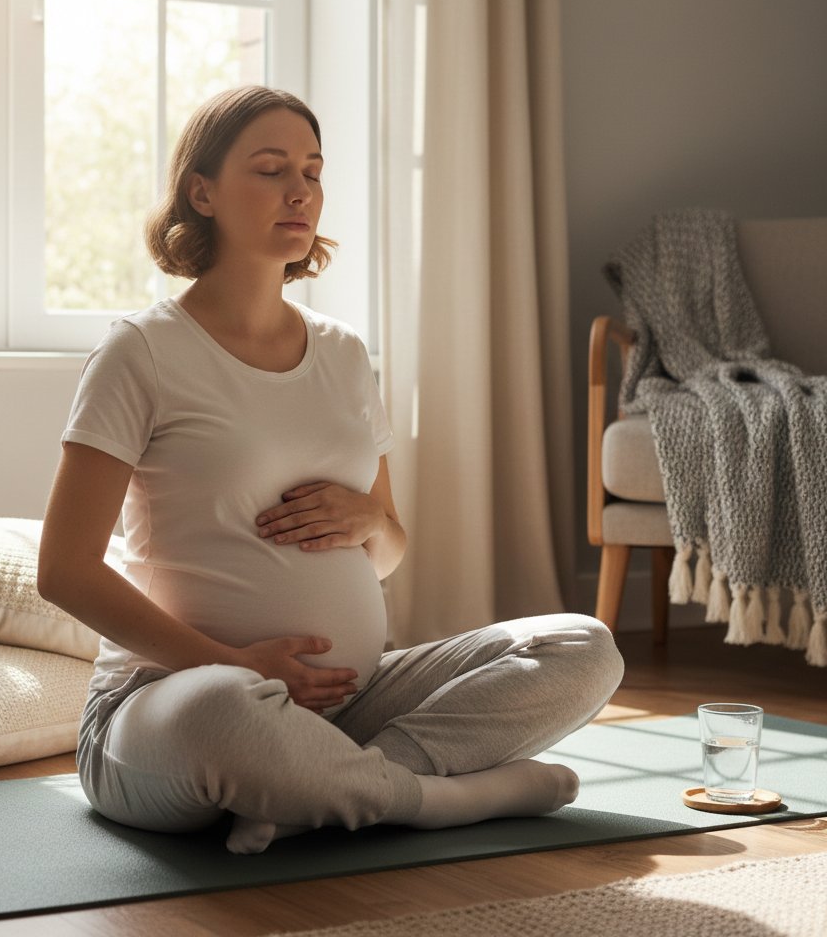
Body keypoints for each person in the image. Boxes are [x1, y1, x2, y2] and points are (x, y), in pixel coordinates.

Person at [37, 85, 624, 855]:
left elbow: (387, 553)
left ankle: (321, 787)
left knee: (584, 648)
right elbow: (64, 572)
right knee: (227, 710)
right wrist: (235, 663)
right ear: (202, 191)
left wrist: (374, 521)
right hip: (169, 703)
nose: (300, 191)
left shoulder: (343, 353)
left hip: (353, 698)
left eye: (312, 172)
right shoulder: (140, 352)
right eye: (272, 168)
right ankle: (446, 800)